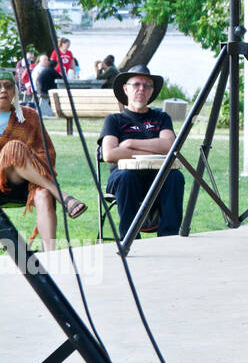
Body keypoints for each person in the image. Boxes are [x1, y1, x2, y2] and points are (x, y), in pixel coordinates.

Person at [0, 73, 86, 251]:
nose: (3, 90)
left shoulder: (29, 116)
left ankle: (50, 254)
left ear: (15, 90)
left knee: (44, 194)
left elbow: (46, 152)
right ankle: (62, 196)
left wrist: (24, 157)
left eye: (8, 85)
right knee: (13, 148)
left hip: (26, 181)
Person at [100, 65, 184, 238]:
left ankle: (170, 236)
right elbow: (109, 154)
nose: (141, 89)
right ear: (125, 89)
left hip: (157, 176)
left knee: (175, 176)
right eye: (136, 84)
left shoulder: (161, 117)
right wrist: (154, 149)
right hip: (123, 177)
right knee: (127, 177)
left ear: (152, 91)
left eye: (147, 86)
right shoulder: (114, 120)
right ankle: (130, 238)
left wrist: (130, 143)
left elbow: (170, 146)